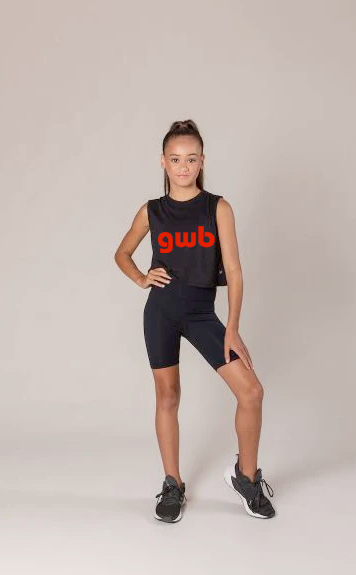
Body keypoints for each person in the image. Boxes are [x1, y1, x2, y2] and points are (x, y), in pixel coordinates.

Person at [114, 119, 275, 523]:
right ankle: (173, 483)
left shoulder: (217, 208)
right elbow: (122, 253)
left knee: (251, 392)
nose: (183, 166)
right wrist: (141, 278)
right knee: (168, 397)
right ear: (163, 162)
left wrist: (232, 327)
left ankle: (246, 478)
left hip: (203, 314)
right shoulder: (152, 211)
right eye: (175, 159)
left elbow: (234, 272)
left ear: (202, 161)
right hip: (162, 313)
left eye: (190, 159)